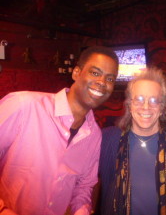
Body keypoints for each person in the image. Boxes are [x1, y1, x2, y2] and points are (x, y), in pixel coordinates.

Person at [0, 46, 119, 215]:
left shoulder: (94, 136)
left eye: (110, 78)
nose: (102, 82)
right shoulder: (22, 105)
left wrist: (82, 210)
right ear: (76, 73)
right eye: (95, 73)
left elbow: (83, 187)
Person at [97, 68, 166, 215]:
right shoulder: (107, 139)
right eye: (139, 99)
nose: (146, 107)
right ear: (129, 105)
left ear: (162, 107)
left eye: (153, 100)